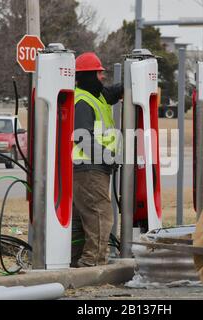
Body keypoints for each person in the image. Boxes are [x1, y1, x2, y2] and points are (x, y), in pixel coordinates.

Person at [71, 52, 123, 268]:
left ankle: (75, 260)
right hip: (89, 168)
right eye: (99, 72)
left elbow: (111, 92)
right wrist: (109, 157)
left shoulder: (96, 95)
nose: (103, 76)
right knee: (100, 214)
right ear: (88, 75)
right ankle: (93, 262)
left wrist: (137, 76)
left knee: (82, 218)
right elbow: (82, 137)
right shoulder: (82, 101)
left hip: (93, 168)